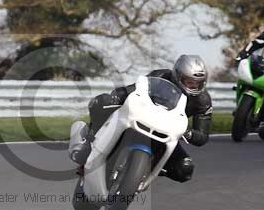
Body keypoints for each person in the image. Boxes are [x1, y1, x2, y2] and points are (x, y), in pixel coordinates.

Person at [69, 54, 212, 183]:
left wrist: (189, 133)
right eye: (189, 81)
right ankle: (88, 143)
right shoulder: (160, 76)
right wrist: (117, 95)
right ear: (177, 75)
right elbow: (135, 89)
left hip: (166, 132)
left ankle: (150, 169)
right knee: (101, 102)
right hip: (140, 118)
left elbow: (203, 136)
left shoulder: (203, 101)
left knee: (185, 169)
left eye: (197, 83)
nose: (193, 86)